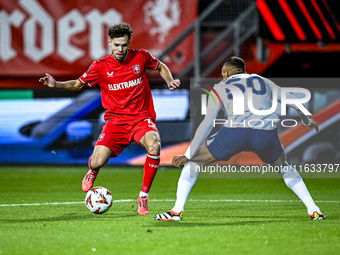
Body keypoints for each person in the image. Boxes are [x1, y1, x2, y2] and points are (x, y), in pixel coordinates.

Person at [154, 56, 325, 221]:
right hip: (265, 134)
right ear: (244, 70)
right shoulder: (261, 80)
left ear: (226, 72)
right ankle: (314, 209)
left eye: (222, 73)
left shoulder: (220, 87)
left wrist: (188, 154)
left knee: (194, 162)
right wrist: (306, 119)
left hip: (235, 134)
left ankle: (177, 211)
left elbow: (208, 123)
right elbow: (291, 99)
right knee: (284, 167)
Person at [39, 22, 180, 215]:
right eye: (116, 45)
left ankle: (143, 197)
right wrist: (56, 84)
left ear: (129, 43)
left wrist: (169, 80)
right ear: (109, 43)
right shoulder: (100, 67)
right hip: (116, 122)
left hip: (141, 119)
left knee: (154, 145)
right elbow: (77, 84)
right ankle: (93, 171)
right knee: (97, 161)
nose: (120, 49)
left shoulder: (141, 57)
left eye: (123, 45)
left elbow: (161, 66)